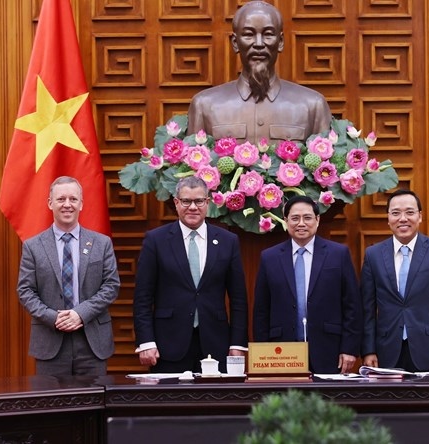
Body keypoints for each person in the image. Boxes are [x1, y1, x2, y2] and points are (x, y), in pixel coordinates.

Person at [133, 176, 248, 374]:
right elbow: (143, 297)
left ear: (208, 203)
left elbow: (238, 299)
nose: (193, 207)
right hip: (167, 344)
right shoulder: (156, 240)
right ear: (176, 203)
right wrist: (146, 341)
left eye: (199, 201)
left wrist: (238, 344)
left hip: (215, 343)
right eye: (186, 201)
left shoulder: (228, 241)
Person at [187, 1, 332, 144]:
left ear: (280, 42)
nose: (258, 44)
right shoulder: (204, 105)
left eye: (268, 34)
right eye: (248, 35)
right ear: (235, 43)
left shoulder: (313, 106)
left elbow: (325, 165)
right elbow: (190, 164)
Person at [17, 176, 120, 376]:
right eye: (61, 199)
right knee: (52, 405)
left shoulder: (102, 243)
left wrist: (80, 313)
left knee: (94, 405)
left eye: (73, 199)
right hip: (50, 340)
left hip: (92, 341)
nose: (67, 205)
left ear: (81, 204)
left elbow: (111, 286)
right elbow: (25, 291)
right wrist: (53, 317)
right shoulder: (33, 246)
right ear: (50, 203)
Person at [253, 195, 362, 374]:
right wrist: (263, 352)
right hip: (282, 353)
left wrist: (349, 349)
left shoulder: (338, 254)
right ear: (286, 221)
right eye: (295, 218)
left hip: (330, 349)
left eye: (307, 217)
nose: (301, 223)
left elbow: (352, 305)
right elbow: (261, 311)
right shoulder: (269, 258)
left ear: (317, 220)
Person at [361, 189, 429, 372]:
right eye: (396, 213)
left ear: (420, 216)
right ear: (388, 218)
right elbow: (367, 308)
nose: (403, 218)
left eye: (409, 212)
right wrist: (368, 350)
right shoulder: (373, 254)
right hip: (386, 349)